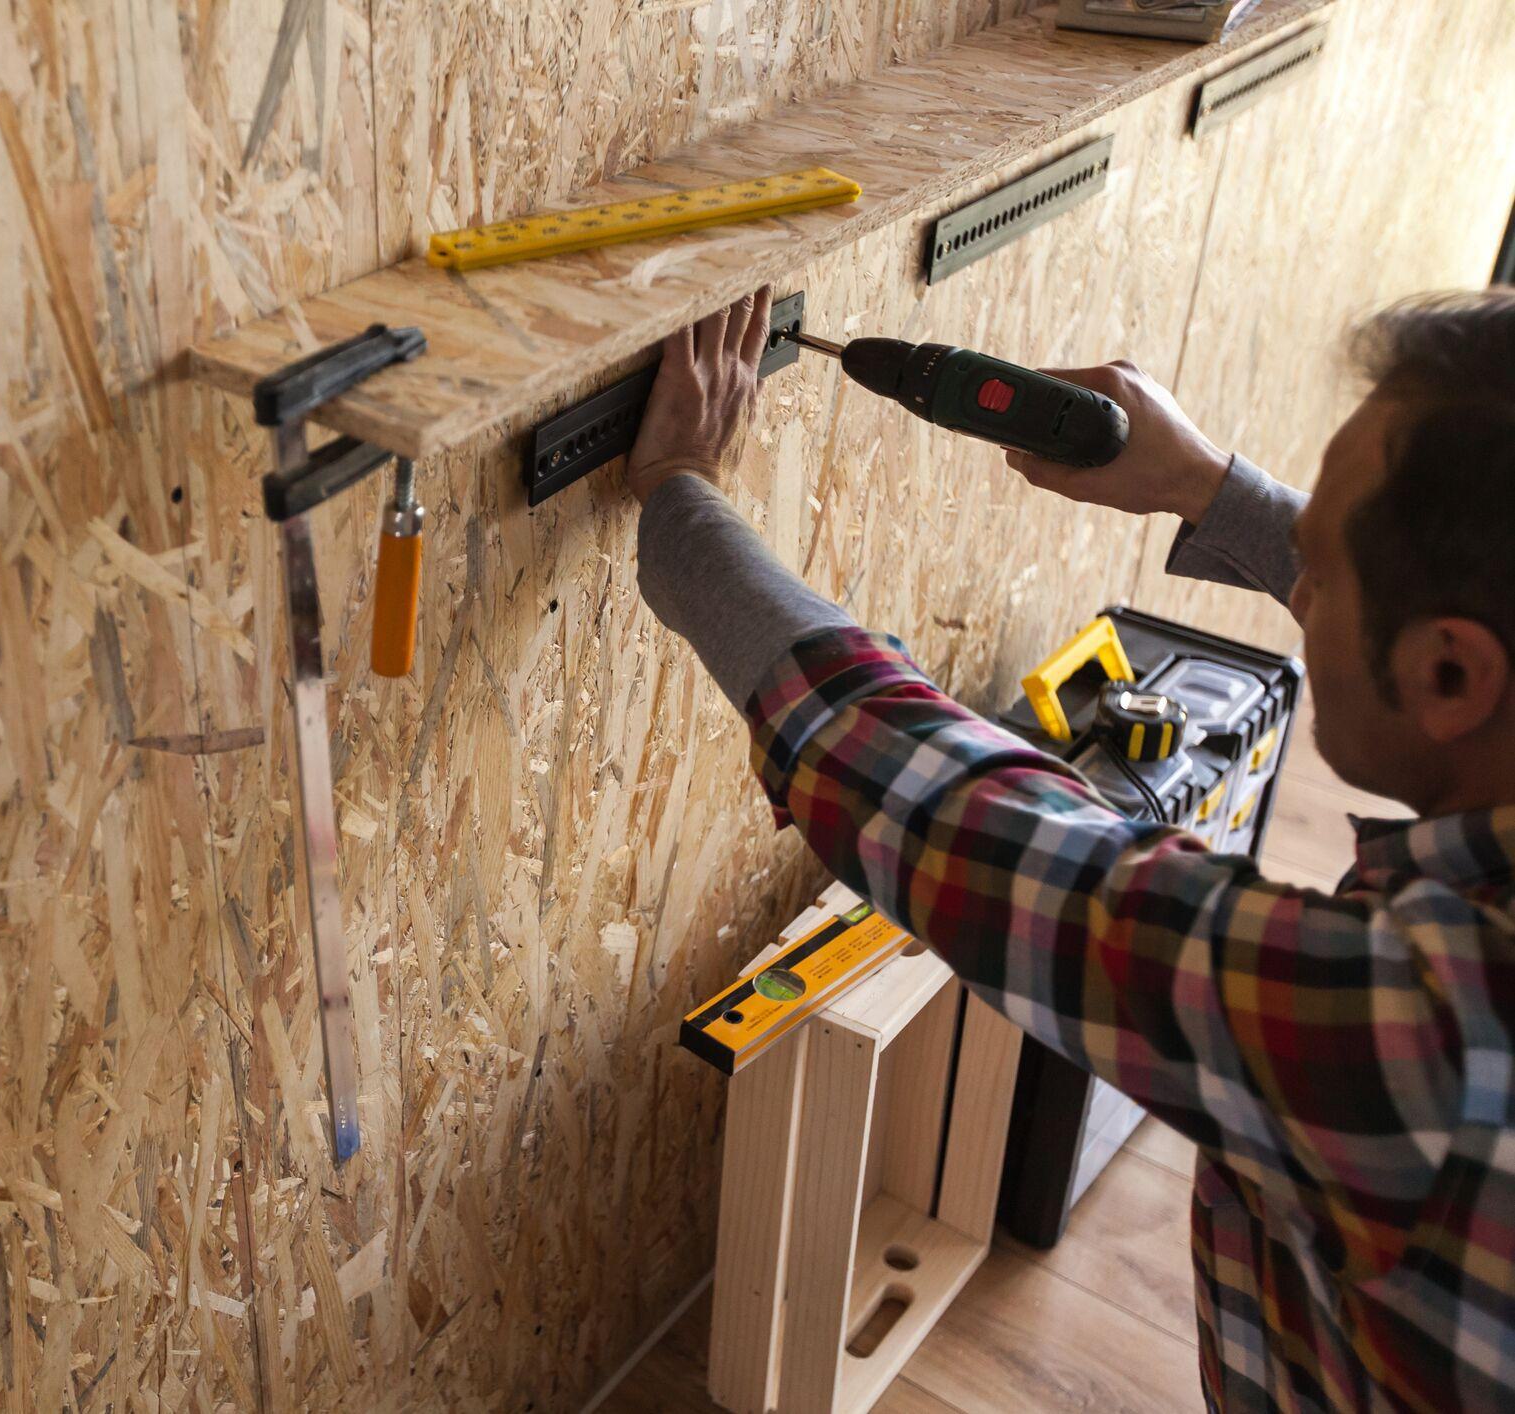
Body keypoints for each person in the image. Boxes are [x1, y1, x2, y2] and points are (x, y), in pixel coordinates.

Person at [628, 285, 1515, 1412]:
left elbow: (986, 834)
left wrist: (678, 500)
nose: (1292, 589)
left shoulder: (1435, 1032)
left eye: (1317, 571)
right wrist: (1206, 484)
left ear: (1450, 674)